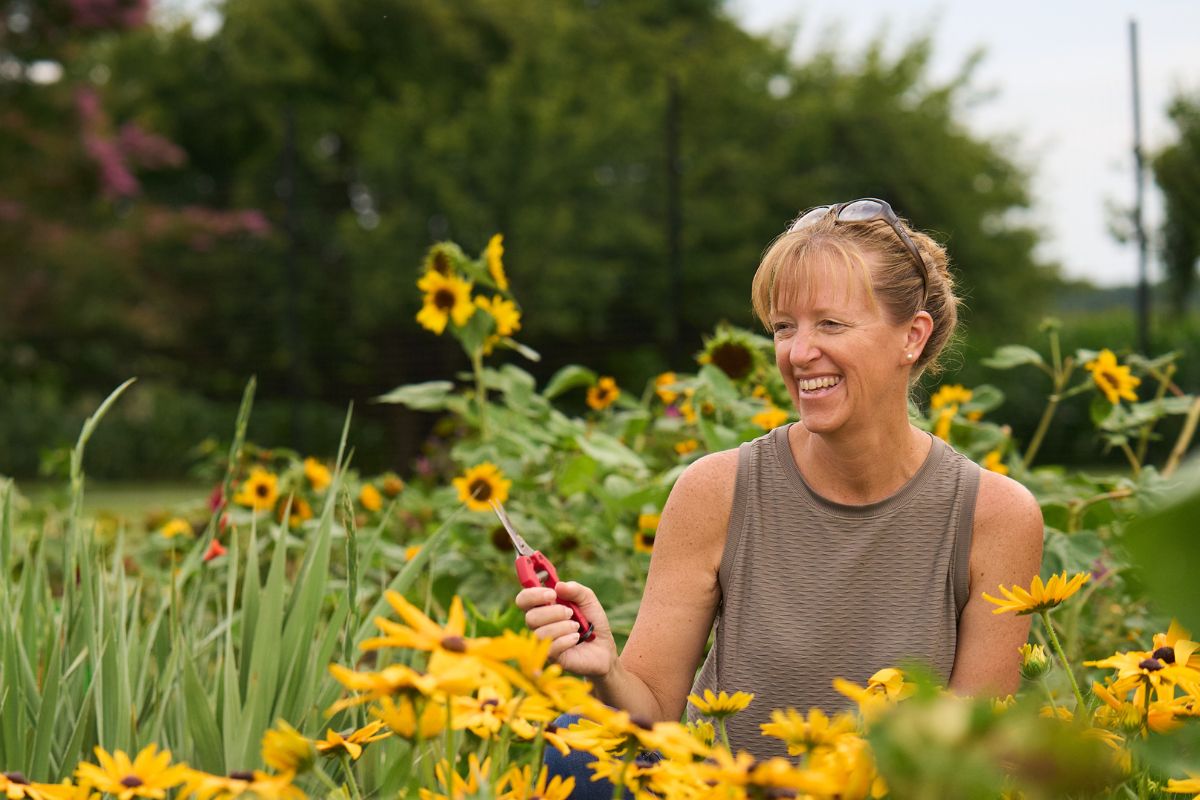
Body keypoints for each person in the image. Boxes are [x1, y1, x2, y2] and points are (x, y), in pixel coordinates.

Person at [517, 198, 1044, 765]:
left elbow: (966, 761)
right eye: (784, 327)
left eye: (831, 324)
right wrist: (604, 669)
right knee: (573, 746)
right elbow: (652, 714)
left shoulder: (995, 516)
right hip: (720, 789)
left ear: (912, 337)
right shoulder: (716, 490)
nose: (798, 353)